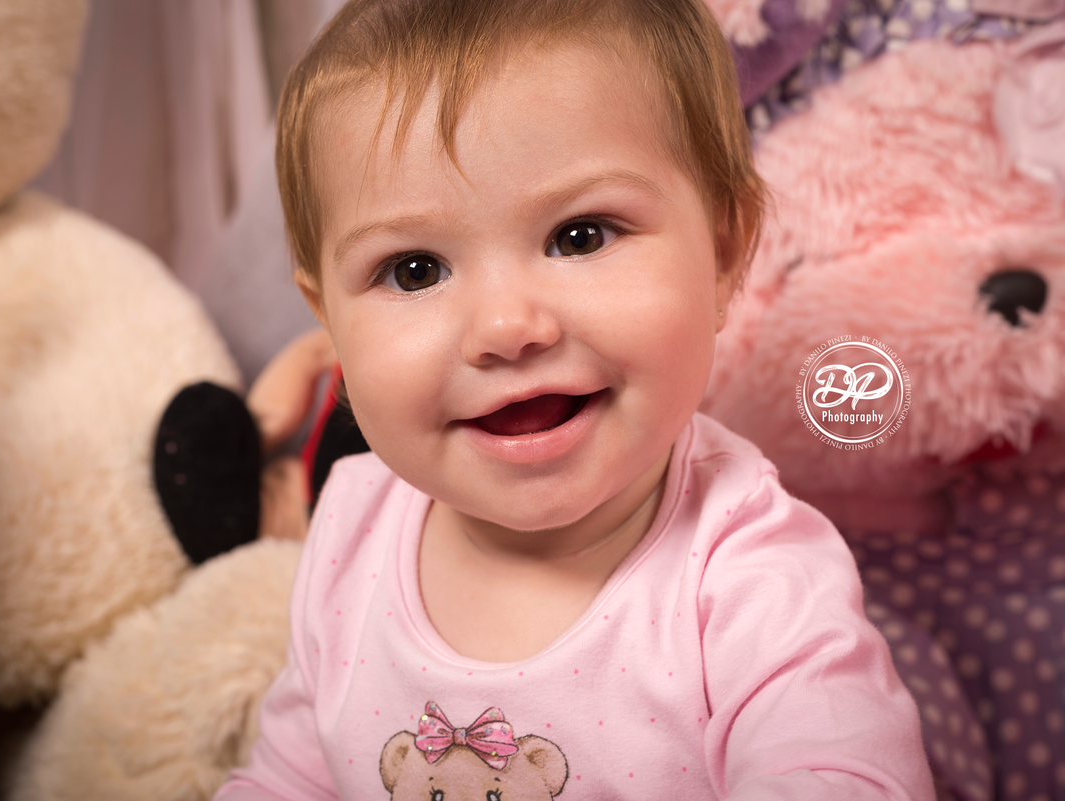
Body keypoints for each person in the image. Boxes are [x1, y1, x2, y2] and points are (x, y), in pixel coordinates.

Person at [215, 0, 935, 797]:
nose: (505, 327)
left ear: (724, 254)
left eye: (580, 235)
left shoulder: (753, 579)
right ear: (330, 321)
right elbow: (289, 776)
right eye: (414, 270)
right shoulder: (352, 525)